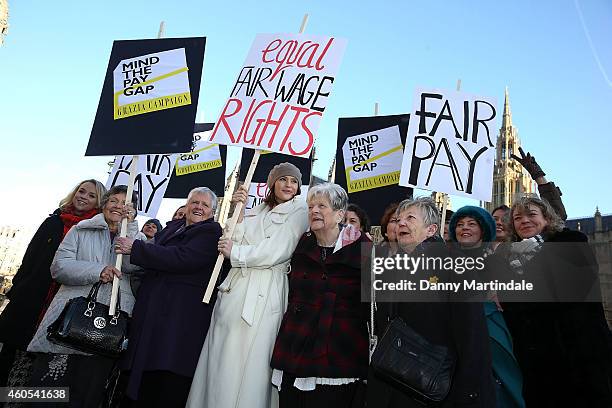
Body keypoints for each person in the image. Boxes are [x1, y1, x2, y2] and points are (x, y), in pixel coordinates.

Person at [187, 163, 309, 408]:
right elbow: (229, 239)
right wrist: (238, 211)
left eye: (294, 181)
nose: (288, 185)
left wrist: (238, 252)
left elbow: (278, 249)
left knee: (251, 363)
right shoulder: (256, 209)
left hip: (264, 291)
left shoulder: (300, 210)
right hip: (235, 290)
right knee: (222, 357)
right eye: (283, 179)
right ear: (272, 183)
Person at [368, 197, 496, 408]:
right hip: (391, 382)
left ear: (431, 230)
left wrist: (472, 393)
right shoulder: (389, 268)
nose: (401, 223)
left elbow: (471, 334)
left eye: (410, 218)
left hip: (434, 389)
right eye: (398, 219)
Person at [25, 185, 140, 407]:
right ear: (104, 204)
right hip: (69, 320)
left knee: (85, 396)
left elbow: (132, 266)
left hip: (106, 332)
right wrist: (97, 271)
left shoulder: (137, 239)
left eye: (126, 204)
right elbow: (59, 267)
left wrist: (131, 229)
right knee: (46, 393)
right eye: (114, 200)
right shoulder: (80, 230)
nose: (118, 206)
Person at [499, 196, 612, 407]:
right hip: (537, 362)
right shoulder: (509, 258)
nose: (524, 221)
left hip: (579, 356)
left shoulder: (571, 241)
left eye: (531, 215)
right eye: (517, 218)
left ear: (547, 218)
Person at [115, 187, 222, 407]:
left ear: (212, 212)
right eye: (194, 202)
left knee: (165, 383)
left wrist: (137, 249)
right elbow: (144, 251)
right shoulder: (172, 228)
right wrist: (132, 223)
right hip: (152, 316)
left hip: (179, 321)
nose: (198, 208)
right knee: (140, 379)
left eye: (204, 205)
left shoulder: (211, 233)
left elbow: (183, 258)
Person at [270, 183, 369, 407]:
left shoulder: (363, 248)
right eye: (311, 206)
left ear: (340, 214)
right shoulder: (301, 245)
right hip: (296, 344)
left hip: (338, 350)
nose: (314, 211)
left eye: (321, 206)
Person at [0, 179, 106, 387]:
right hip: (30, 299)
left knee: (39, 367)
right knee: (8, 357)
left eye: (91, 195)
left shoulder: (95, 232)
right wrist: (18, 289)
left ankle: (17, 400)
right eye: (81, 191)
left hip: (63, 304)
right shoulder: (54, 221)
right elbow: (30, 257)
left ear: (99, 203)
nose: (83, 196)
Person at [448, 206, 525, 408]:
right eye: (460, 224)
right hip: (454, 336)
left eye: (472, 224)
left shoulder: (498, 261)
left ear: (483, 230)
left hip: (491, 331)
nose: (464, 228)